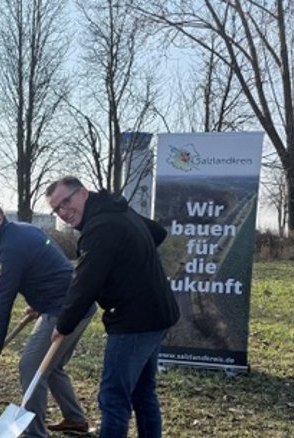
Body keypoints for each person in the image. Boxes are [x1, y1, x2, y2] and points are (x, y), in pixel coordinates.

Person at [45, 176, 180, 438]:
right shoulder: (118, 210)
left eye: (67, 201)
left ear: (83, 193)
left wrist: (63, 326)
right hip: (159, 313)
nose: (63, 211)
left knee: (113, 398)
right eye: (56, 208)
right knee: (143, 394)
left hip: (135, 321)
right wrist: (131, 262)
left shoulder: (101, 227)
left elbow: (85, 283)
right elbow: (158, 233)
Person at [0, 199, 96, 437]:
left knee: (30, 366)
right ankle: (75, 420)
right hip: (76, 303)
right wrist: (37, 303)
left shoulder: (10, 247)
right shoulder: (22, 231)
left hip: (64, 308)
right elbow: (46, 267)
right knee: (51, 367)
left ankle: (33, 434)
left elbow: (2, 301)